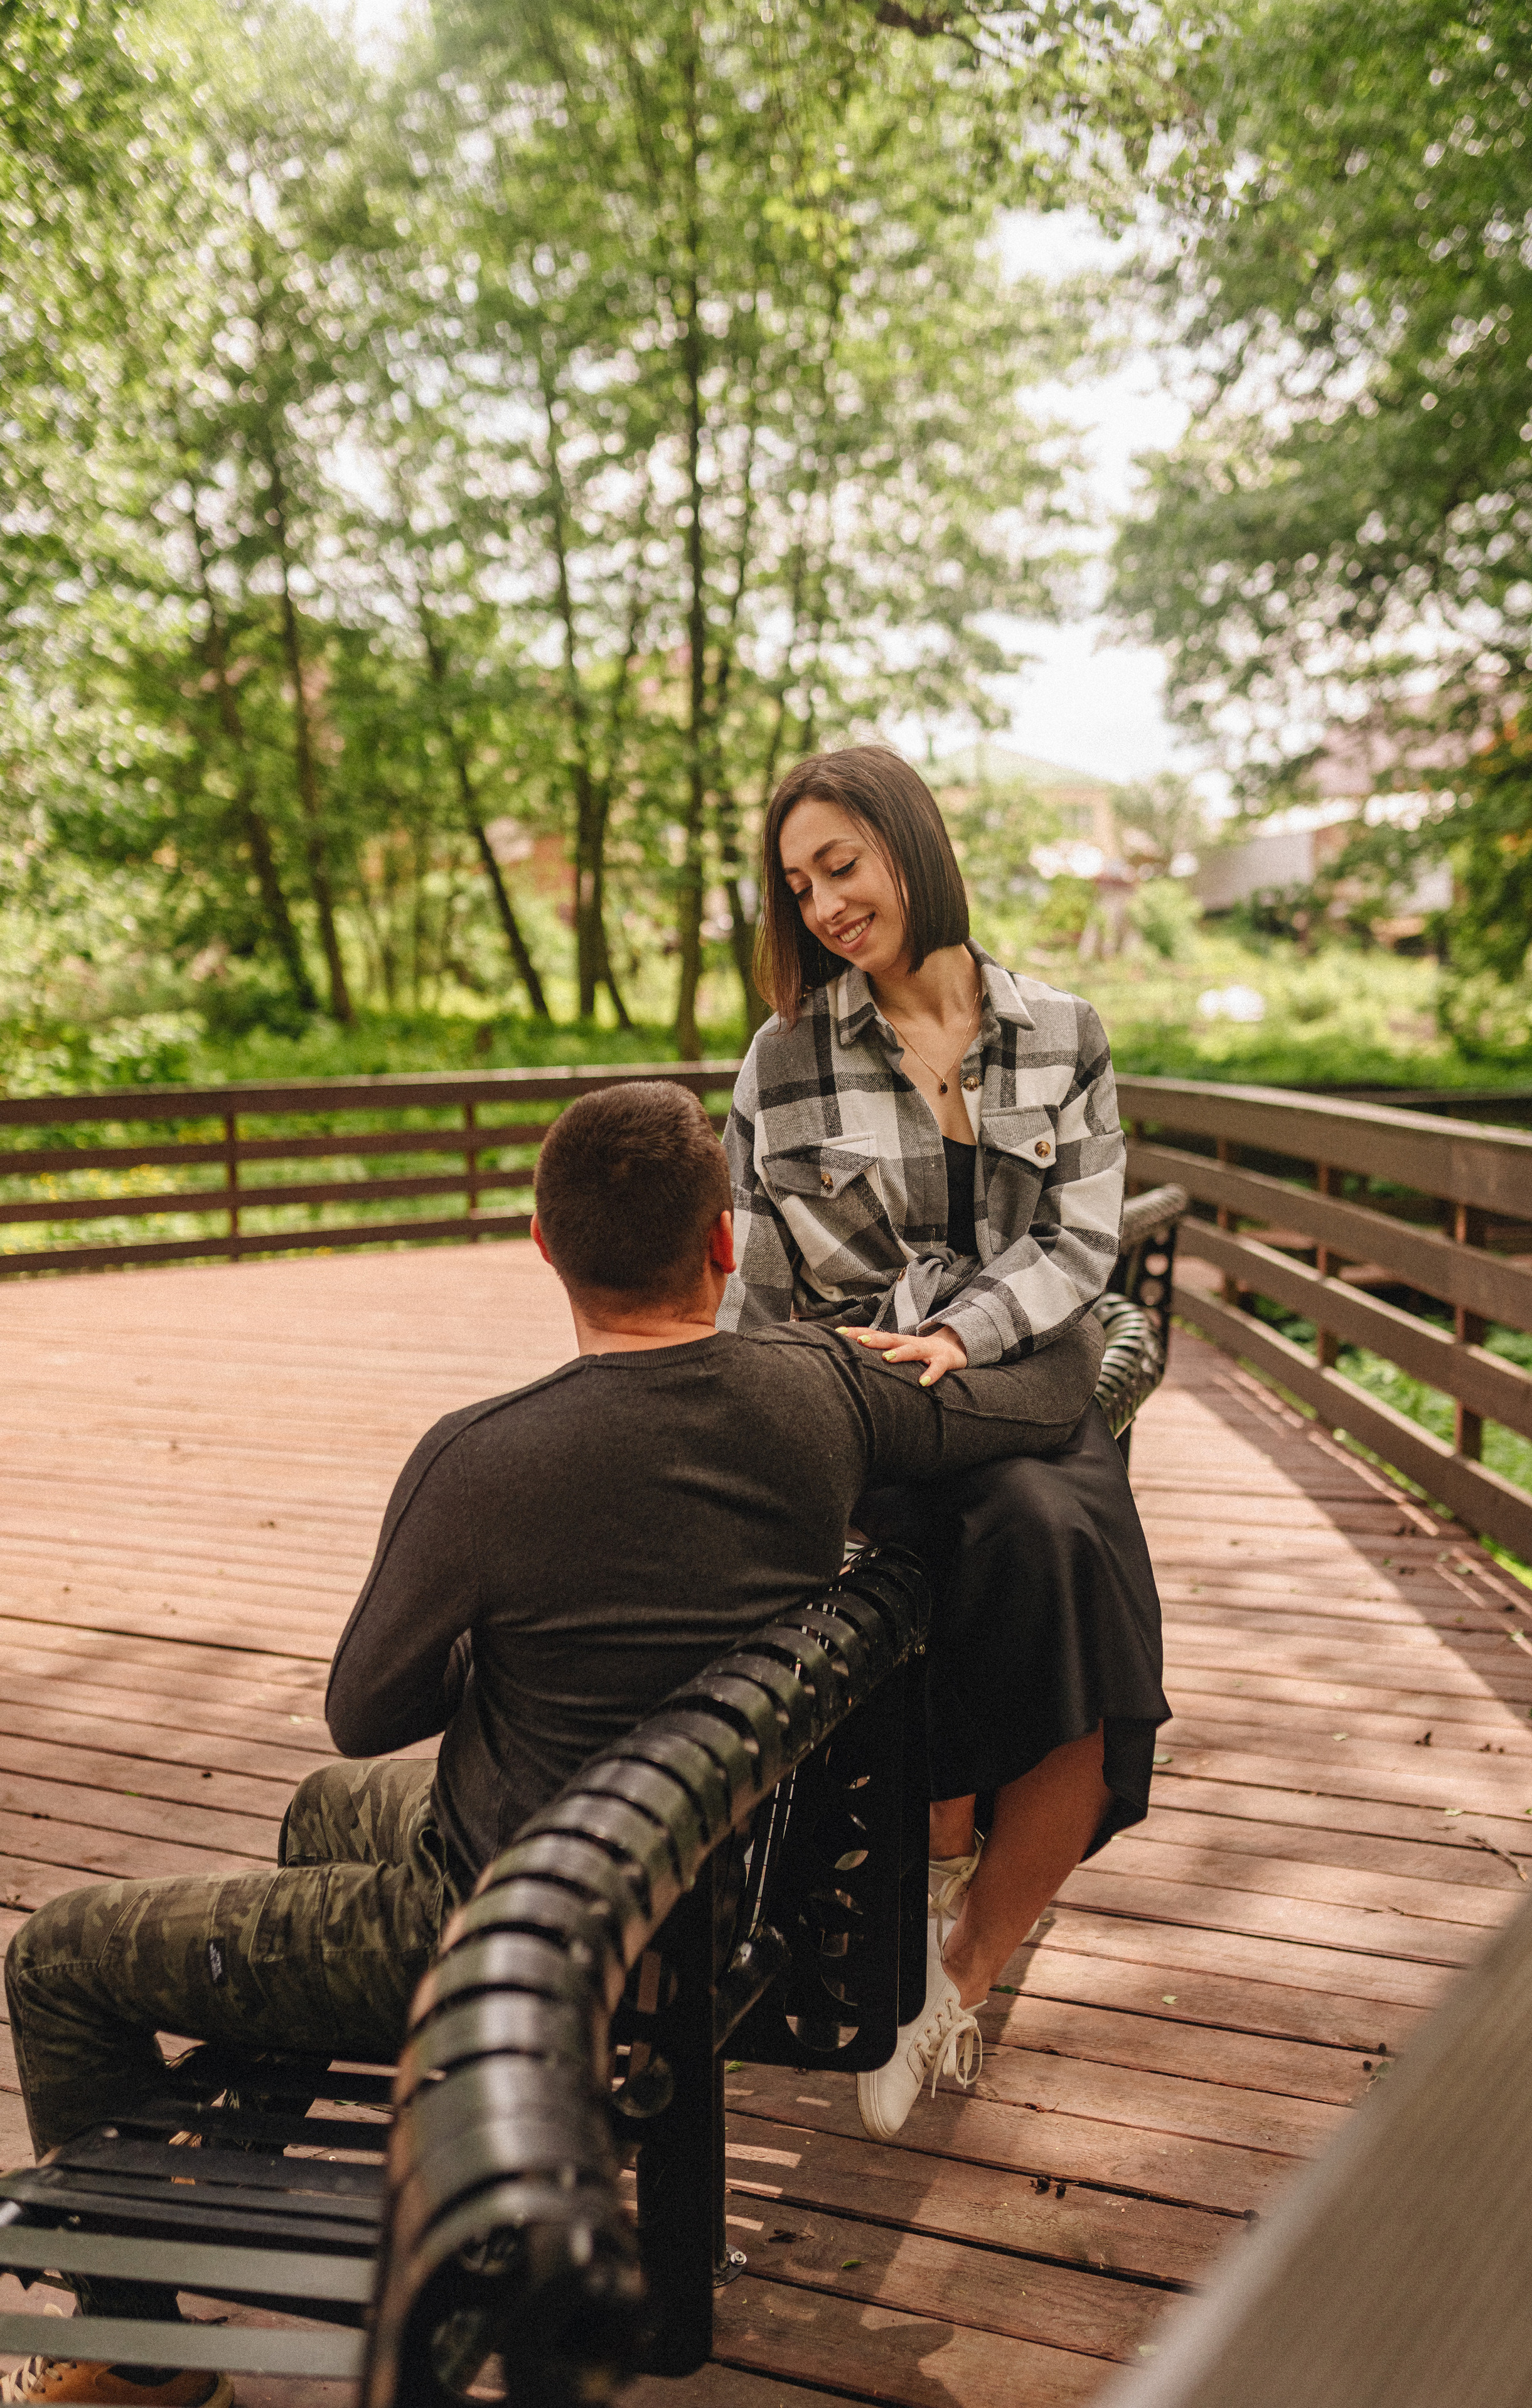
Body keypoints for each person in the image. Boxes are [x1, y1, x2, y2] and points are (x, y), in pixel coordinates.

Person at [2, 1080, 1105, 2408]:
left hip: (500, 1928)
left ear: (541, 1243)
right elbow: (1048, 1395)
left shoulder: (479, 1454)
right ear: (724, 1244)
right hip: (700, 1891)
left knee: (56, 1956)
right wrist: (979, 1333)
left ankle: (134, 2358)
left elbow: (370, 1701)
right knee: (318, 1809)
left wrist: (507, 1631)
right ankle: (233, 2181)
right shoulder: (821, 1389)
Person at [717, 743, 1169, 2143]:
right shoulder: (782, 1063)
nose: (823, 905)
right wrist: (735, 1434)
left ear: (907, 843)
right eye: (798, 887)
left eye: (839, 865)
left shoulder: (1062, 1032)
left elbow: (1082, 1236)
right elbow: (759, 1291)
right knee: (1000, 1548)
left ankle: (953, 1969)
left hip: (1018, 1383)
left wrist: (964, 1336)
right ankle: (930, 1862)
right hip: (880, 1414)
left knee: (1051, 1535)